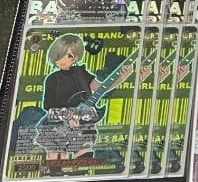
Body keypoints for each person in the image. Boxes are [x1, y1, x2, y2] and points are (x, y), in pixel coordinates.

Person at [36, 33, 131, 162]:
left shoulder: (80, 72)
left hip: (82, 121)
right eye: (59, 55)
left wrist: (120, 78)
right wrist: (68, 116)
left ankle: (81, 166)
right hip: (58, 122)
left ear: (76, 57)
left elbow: (99, 87)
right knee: (57, 152)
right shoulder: (52, 79)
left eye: (69, 56)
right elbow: (49, 106)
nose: (63, 59)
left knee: (84, 151)